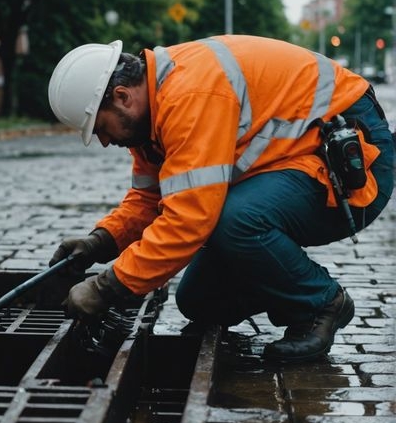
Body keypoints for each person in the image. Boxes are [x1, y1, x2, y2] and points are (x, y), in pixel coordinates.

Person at [46, 35, 394, 363]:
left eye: (101, 128)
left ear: (122, 97)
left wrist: (108, 288)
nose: (105, 141)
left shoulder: (190, 95)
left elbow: (190, 219)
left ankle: (322, 303)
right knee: (200, 302)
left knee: (233, 219)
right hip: (298, 163)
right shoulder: (149, 123)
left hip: (355, 161)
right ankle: (283, 283)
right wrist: (101, 241)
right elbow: (148, 199)